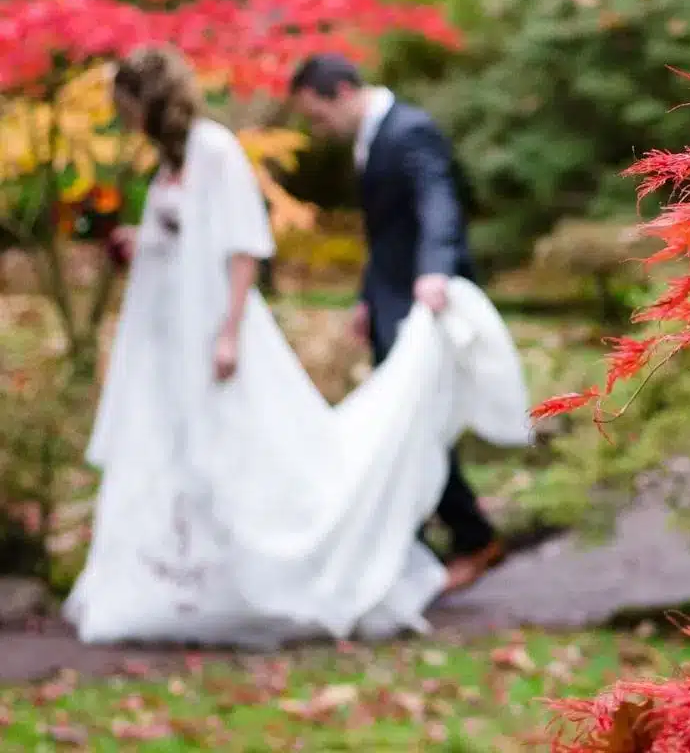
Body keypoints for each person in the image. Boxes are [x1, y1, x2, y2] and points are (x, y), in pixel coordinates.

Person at [66, 44, 531, 647]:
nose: (121, 117)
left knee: (258, 449)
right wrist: (140, 238)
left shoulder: (220, 148)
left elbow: (245, 244)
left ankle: (439, 542)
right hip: (170, 335)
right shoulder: (170, 159)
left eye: (125, 105)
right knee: (180, 450)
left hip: (219, 327)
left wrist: (230, 332)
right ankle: (188, 579)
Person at [288, 54, 505, 593]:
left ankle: (471, 537)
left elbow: (438, 204)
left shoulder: (410, 130)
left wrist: (434, 272)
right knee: (406, 422)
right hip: (390, 302)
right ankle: (422, 544)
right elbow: (384, 232)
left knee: (418, 420)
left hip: (421, 303)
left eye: (317, 115)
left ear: (340, 91)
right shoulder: (371, 137)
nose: (320, 129)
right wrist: (367, 298)